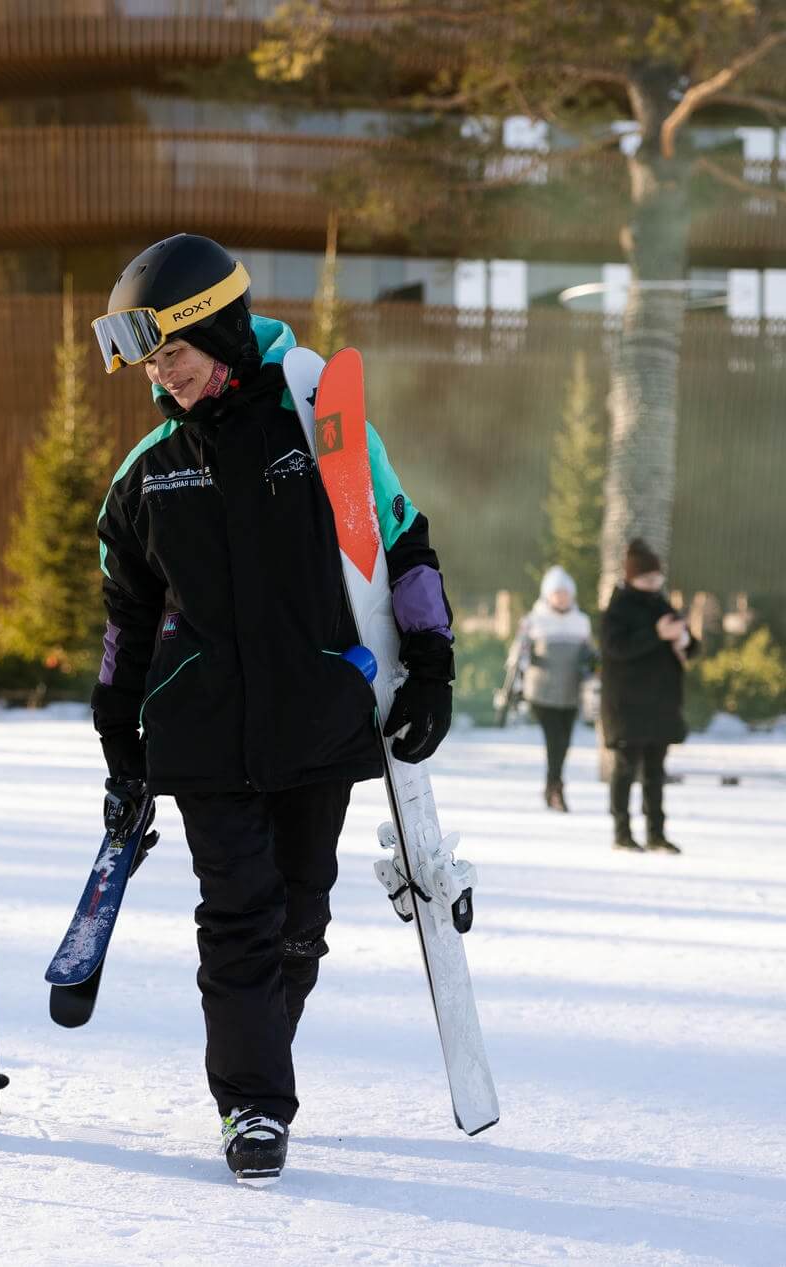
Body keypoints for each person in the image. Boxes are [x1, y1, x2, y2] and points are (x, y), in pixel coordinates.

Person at [87, 233, 455, 1185]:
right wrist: (117, 735)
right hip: (202, 731)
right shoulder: (147, 474)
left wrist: (433, 665)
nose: (160, 380)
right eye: (149, 365)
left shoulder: (317, 419)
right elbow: (125, 616)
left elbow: (404, 542)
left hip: (316, 717)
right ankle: (252, 1101)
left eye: (171, 355)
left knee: (300, 915)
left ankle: (261, 1055)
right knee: (237, 914)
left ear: (219, 329)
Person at [600, 539, 697, 854]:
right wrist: (656, 635)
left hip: (660, 705)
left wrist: (683, 640)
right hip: (628, 704)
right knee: (625, 768)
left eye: (657, 578)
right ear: (632, 577)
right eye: (647, 578)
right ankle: (622, 832)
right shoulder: (618, 608)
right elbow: (616, 648)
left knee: (656, 772)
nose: (653, 583)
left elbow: (689, 644)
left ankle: (656, 832)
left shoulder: (662, 604)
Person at [504, 565, 597, 812]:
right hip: (542, 694)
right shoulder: (534, 621)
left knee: (564, 742)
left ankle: (551, 787)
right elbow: (518, 656)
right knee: (554, 741)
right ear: (548, 594)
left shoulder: (581, 622)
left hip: (569, 693)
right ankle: (556, 789)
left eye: (566, 593)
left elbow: (590, 654)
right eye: (557, 592)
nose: (562, 597)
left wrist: (593, 666)